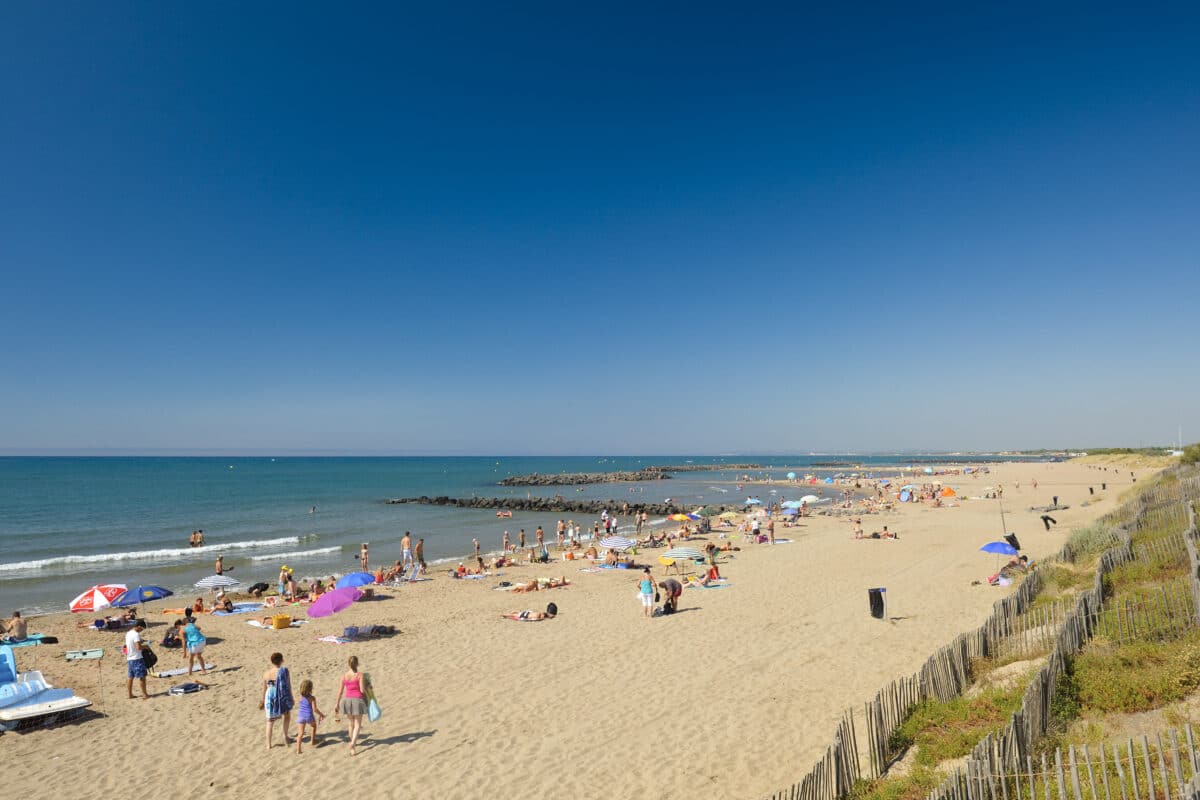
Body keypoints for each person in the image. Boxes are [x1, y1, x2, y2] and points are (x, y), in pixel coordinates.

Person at [334, 655, 368, 756]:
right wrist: (368, 689)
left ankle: (353, 743)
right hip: (357, 700)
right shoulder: (360, 675)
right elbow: (362, 690)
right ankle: (353, 743)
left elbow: (340, 692)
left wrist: (337, 703)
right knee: (357, 724)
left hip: (347, 700)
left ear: (348, 664)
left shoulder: (344, 676)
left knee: (350, 724)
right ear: (357, 663)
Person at [260, 652, 294, 749]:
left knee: (270, 721)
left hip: (270, 695)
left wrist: (262, 700)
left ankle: (268, 744)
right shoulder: (284, 671)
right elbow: (288, 685)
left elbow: (264, 688)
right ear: (281, 660)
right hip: (281, 694)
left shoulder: (266, 673)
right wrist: (291, 697)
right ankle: (285, 736)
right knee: (286, 716)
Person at [295, 679, 326, 753]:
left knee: (300, 733)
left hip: (301, 716)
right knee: (313, 726)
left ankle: (298, 750)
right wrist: (321, 714)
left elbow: (298, 702)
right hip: (309, 715)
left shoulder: (300, 697)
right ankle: (312, 741)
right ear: (310, 689)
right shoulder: (312, 698)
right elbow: (315, 709)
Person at [126, 621, 151, 699]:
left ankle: (130, 694)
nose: (141, 631)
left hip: (130, 658)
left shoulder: (128, 633)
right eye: (142, 629)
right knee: (142, 677)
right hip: (137, 658)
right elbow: (138, 647)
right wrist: (146, 647)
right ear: (139, 626)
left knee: (131, 677)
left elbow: (134, 642)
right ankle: (145, 694)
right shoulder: (136, 634)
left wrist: (141, 640)